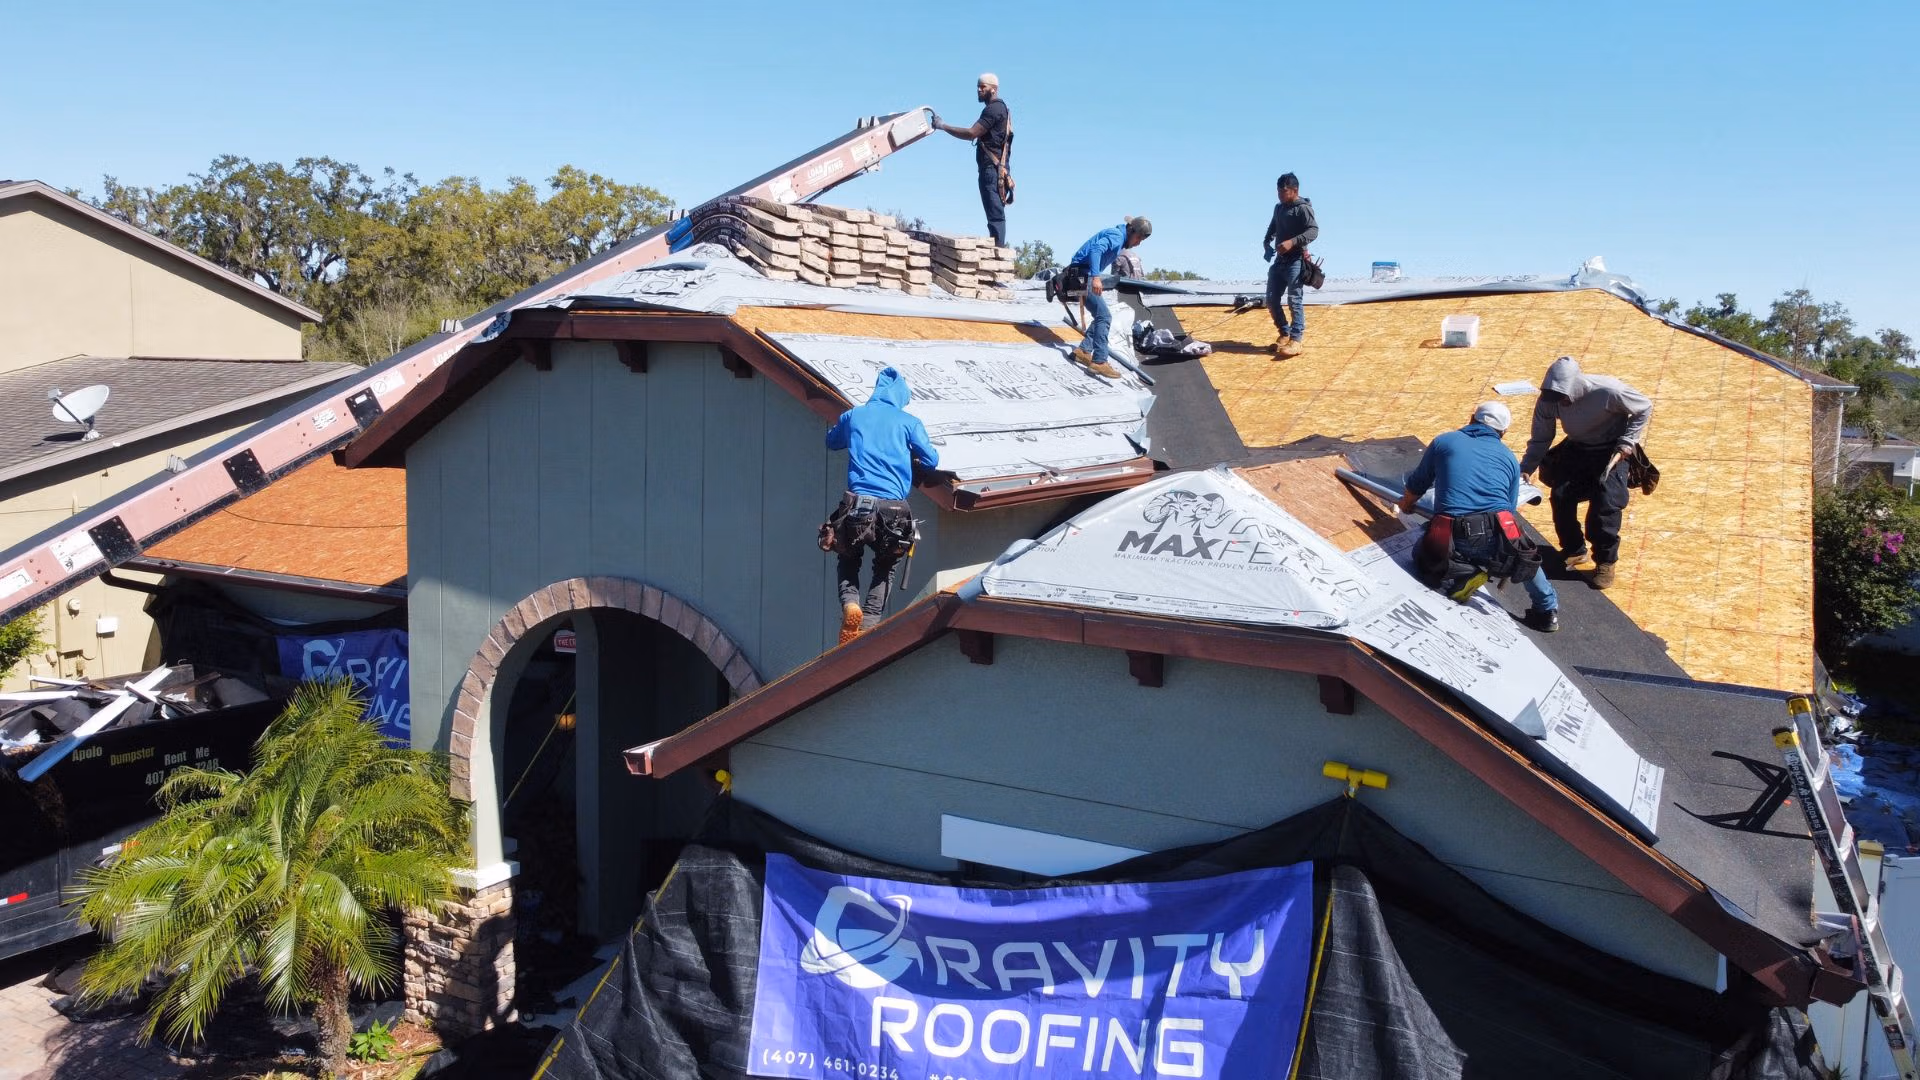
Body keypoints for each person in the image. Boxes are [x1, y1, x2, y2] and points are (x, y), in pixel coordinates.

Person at [1398, 402, 1559, 631]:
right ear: (1504, 432)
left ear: (1472, 418)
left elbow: (1418, 483)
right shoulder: (1510, 459)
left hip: (1454, 534)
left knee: (1421, 553)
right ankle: (1547, 611)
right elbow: (1509, 509)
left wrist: (1406, 504)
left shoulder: (1445, 441)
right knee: (1524, 555)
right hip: (1498, 534)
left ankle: (1464, 572)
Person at [822, 367, 939, 644]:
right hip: (894, 509)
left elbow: (832, 441)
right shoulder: (909, 422)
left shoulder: (854, 415)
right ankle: (869, 624)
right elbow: (932, 459)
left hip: (856, 506)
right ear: (900, 396)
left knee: (848, 557)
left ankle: (851, 605)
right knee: (885, 567)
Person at [1518, 356, 1654, 590]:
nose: (1559, 402)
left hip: (1612, 451)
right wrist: (1527, 467)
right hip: (1578, 448)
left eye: (1563, 397)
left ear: (1576, 386)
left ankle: (1605, 561)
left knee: (1606, 506)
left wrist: (1628, 441)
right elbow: (1542, 437)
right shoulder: (1549, 400)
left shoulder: (1609, 391)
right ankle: (1574, 550)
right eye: (1555, 397)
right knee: (1561, 497)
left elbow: (1644, 407)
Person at [1066, 216, 1152, 379]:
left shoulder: (1118, 236)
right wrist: (1096, 277)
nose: (1138, 243)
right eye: (1138, 238)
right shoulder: (1117, 237)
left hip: (1080, 275)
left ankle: (1083, 351)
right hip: (1082, 276)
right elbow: (1096, 250)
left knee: (1101, 315)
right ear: (1131, 231)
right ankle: (1099, 362)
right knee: (1104, 316)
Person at [931, 73, 1012, 246]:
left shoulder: (994, 109)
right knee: (993, 213)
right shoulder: (999, 109)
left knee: (995, 214)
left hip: (992, 170)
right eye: (978, 86)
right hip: (993, 169)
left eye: (982, 87)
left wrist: (942, 126)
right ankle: (997, 248)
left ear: (993, 89)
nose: (978, 90)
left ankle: (998, 253)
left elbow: (971, 133)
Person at [1261, 173, 1319, 359]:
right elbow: (1272, 229)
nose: (1280, 195)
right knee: (1271, 300)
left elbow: (1313, 231)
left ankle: (1296, 340)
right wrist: (1266, 244)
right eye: (1278, 191)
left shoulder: (1303, 209)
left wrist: (1291, 242)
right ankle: (1284, 334)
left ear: (1295, 190)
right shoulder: (1278, 208)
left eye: (1283, 191)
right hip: (1279, 261)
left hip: (1296, 260)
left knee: (1294, 300)